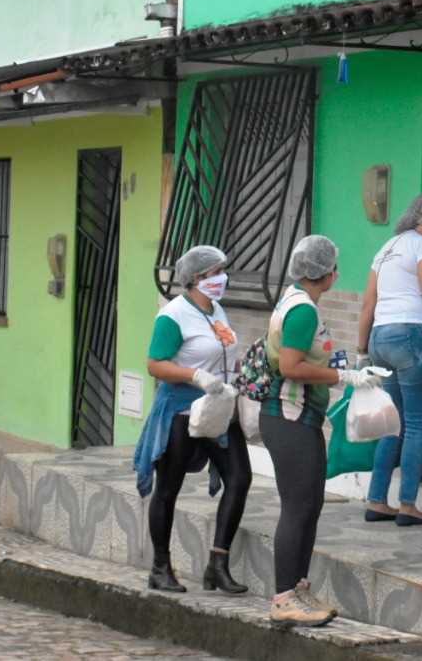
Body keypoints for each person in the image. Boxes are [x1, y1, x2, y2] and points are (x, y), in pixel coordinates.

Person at [133, 245, 249, 595]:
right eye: (215, 273)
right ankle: (160, 567)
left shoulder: (217, 311)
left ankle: (218, 563)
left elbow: (225, 352)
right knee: (168, 488)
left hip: (216, 409)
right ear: (196, 278)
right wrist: (195, 376)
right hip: (180, 412)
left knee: (239, 478)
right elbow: (155, 363)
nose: (222, 278)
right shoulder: (173, 315)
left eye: (222, 271)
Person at [261, 235, 343, 627]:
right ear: (323, 272)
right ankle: (283, 599)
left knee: (310, 504)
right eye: (333, 267)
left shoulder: (295, 300)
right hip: (289, 417)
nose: (336, 273)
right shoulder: (303, 310)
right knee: (298, 506)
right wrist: (340, 376)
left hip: (298, 418)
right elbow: (292, 366)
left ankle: (297, 587)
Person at [358, 193, 422, 527]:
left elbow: (368, 304)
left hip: (380, 338)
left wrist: (360, 350)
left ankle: (376, 499)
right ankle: (407, 504)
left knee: (391, 424)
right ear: (420, 221)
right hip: (411, 337)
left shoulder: (386, 249)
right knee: (416, 423)